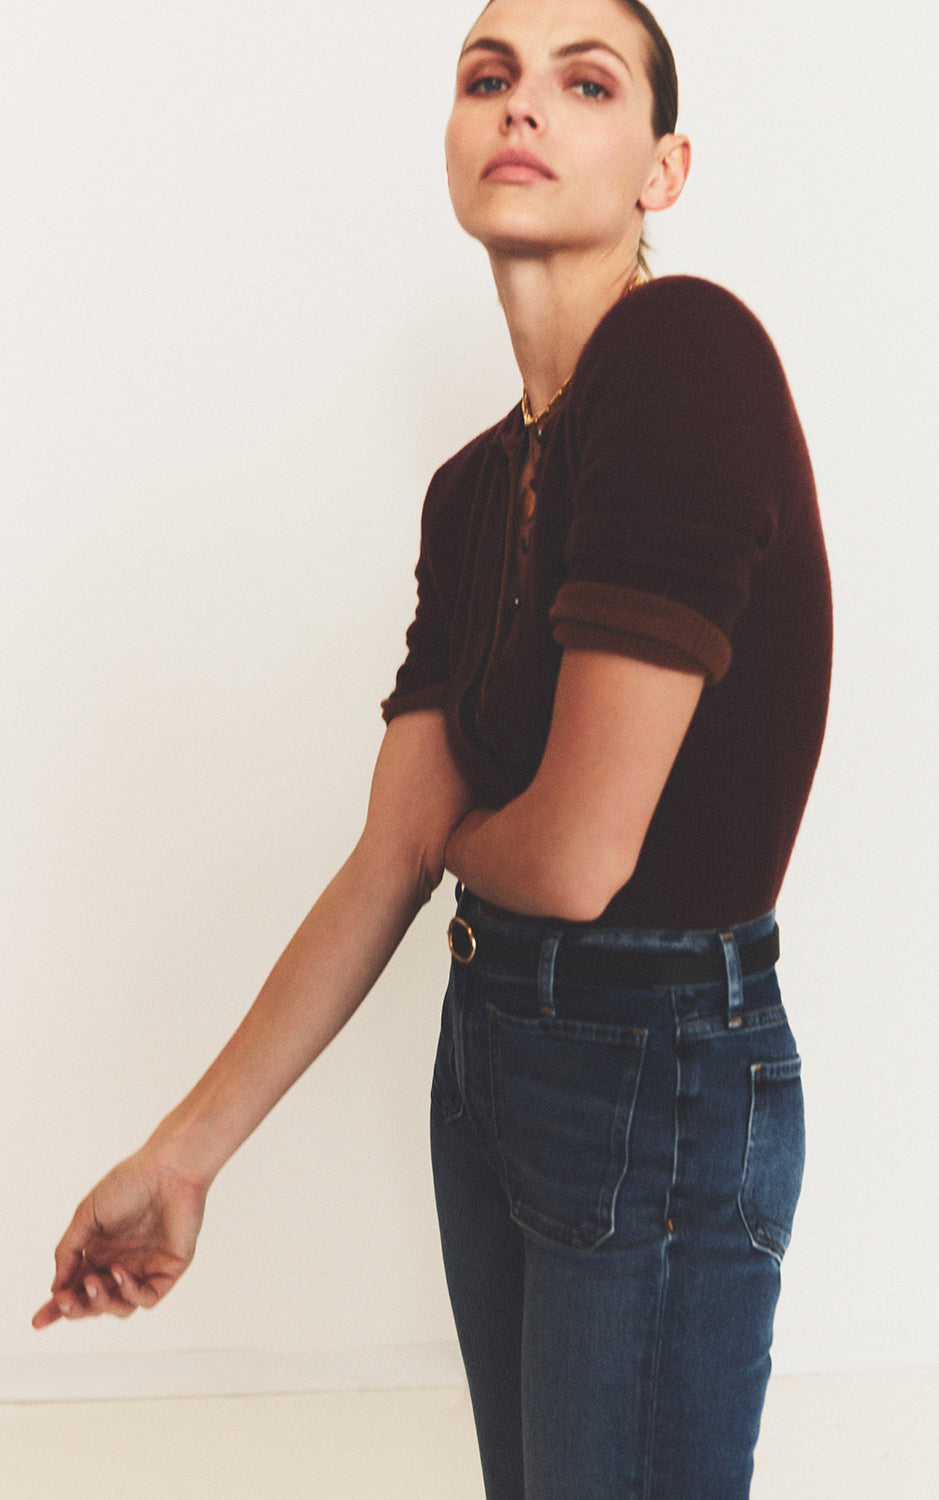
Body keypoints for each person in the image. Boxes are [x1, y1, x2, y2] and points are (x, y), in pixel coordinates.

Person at [33, 0, 832, 1493]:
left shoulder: (685, 348)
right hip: (495, 1062)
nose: (520, 108)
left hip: (654, 1073)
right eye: (487, 78)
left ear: (662, 168)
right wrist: (181, 1157)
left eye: (580, 83)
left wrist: (453, 842)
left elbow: (576, 858)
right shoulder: (472, 491)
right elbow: (377, 864)